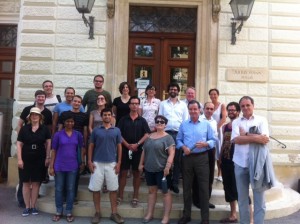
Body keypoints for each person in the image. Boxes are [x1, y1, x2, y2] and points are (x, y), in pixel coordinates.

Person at [231, 96, 276, 224]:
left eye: (248, 105)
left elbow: (265, 139)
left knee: (259, 199)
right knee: (242, 199)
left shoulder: (261, 120)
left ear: (253, 106)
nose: (245, 108)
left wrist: (245, 134)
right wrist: (256, 137)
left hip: (257, 165)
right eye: (243, 106)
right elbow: (236, 140)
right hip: (240, 163)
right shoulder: (236, 122)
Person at [176, 100, 216, 224]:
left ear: (200, 110)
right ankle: (186, 215)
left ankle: (205, 219)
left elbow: (213, 140)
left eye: (195, 109)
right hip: (187, 158)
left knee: (203, 188)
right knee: (187, 187)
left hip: (202, 158)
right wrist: (183, 147)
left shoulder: (206, 124)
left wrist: (205, 144)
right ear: (188, 110)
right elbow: (178, 140)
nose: (193, 111)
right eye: (191, 109)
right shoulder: (183, 124)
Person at [88, 108, 124, 224]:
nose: (107, 116)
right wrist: (89, 161)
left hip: (112, 163)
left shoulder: (116, 130)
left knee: (113, 189)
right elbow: (91, 146)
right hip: (97, 163)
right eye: (105, 115)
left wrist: (119, 162)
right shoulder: (96, 130)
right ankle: (97, 213)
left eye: (109, 115)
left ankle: (114, 213)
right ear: (102, 116)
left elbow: (119, 147)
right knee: (96, 189)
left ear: (112, 116)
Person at [138, 115, 175, 224]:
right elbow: (144, 151)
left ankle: (166, 217)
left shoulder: (168, 138)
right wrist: (141, 164)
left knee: (165, 192)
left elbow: (172, 153)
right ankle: (149, 214)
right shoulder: (149, 136)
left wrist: (168, 167)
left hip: (162, 170)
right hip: (149, 169)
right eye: (157, 121)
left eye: (162, 122)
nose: (159, 123)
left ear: (165, 124)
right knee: (151, 191)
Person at [17, 107, 51, 217]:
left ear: (40, 117)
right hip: (26, 158)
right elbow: (19, 144)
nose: (34, 116)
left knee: (36, 183)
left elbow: (48, 144)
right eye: (32, 114)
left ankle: (33, 206)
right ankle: (27, 207)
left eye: (36, 114)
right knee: (26, 183)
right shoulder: (24, 129)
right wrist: (19, 159)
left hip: (39, 158)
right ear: (30, 116)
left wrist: (47, 157)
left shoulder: (45, 129)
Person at [49, 114, 84, 223]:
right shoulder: (58, 135)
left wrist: (82, 162)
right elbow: (53, 151)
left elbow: (81, 149)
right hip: (59, 165)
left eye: (71, 122)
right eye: (67, 121)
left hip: (73, 166)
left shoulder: (78, 135)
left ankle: (69, 211)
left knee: (70, 189)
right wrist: (51, 166)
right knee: (59, 188)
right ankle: (59, 211)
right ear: (64, 123)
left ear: (74, 123)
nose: (70, 123)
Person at [117, 96, 150, 208]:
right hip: (125, 149)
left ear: (138, 105)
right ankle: (120, 196)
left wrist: (137, 144)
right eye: (132, 103)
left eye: (136, 103)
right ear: (129, 105)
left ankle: (135, 197)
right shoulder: (123, 119)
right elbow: (118, 134)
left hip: (138, 150)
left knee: (137, 174)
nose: (134, 105)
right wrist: (127, 145)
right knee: (123, 174)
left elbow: (147, 134)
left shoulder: (142, 120)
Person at [158, 82, 189, 194]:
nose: (173, 91)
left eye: (175, 89)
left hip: (178, 134)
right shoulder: (162, 104)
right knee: (164, 158)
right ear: (168, 91)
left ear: (178, 91)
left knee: (177, 159)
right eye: (171, 89)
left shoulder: (183, 105)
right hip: (165, 134)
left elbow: (185, 121)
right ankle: (165, 180)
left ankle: (175, 182)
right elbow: (160, 118)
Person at [58, 95, 88, 202]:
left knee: (76, 171)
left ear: (81, 104)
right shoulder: (65, 114)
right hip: (64, 144)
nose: (76, 103)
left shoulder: (84, 116)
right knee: (63, 170)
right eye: (75, 101)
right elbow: (60, 128)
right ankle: (63, 196)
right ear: (72, 102)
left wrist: (83, 145)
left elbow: (85, 131)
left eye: (79, 102)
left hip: (77, 145)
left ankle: (73, 195)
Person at [200, 102, 218, 209]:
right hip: (201, 150)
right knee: (200, 176)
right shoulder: (199, 119)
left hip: (211, 150)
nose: (209, 111)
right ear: (204, 109)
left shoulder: (214, 122)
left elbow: (215, 137)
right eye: (207, 108)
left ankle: (206, 200)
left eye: (212, 109)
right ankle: (197, 200)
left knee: (210, 176)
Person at [209, 88, 227, 181]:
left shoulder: (222, 106)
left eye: (215, 94)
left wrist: (216, 128)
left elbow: (224, 118)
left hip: (218, 131)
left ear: (218, 95)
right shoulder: (209, 106)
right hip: (209, 131)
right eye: (211, 94)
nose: (213, 96)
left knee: (219, 152)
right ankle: (211, 173)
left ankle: (220, 174)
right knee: (212, 152)